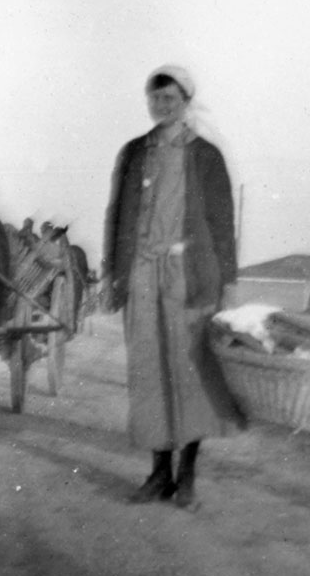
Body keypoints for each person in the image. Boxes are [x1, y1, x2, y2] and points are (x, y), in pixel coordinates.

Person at [102, 64, 238, 508]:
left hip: (189, 277)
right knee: (149, 376)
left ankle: (189, 476)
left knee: (190, 374)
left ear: (186, 103)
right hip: (142, 274)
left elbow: (221, 226)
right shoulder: (133, 152)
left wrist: (228, 284)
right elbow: (116, 215)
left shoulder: (206, 155)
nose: (162, 106)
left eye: (170, 99)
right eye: (155, 98)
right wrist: (113, 274)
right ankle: (159, 473)